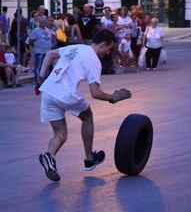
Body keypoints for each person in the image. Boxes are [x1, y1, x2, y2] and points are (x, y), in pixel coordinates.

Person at [36, 29, 132, 181]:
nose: (108, 53)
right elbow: (95, 93)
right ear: (103, 44)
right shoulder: (93, 60)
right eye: (109, 49)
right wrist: (113, 97)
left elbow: (49, 55)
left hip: (48, 92)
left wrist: (41, 79)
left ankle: (49, 157)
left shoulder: (76, 47)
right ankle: (89, 158)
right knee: (87, 116)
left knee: (60, 135)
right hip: (66, 94)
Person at [29, 16, 52, 84]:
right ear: (39, 22)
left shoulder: (48, 30)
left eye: (43, 22)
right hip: (39, 52)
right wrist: (37, 46)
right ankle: (38, 82)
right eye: (41, 22)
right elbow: (31, 41)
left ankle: (45, 82)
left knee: (46, 67)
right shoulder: (35, 30)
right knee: (38, 67)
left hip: (47, 52)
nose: (42, 23)